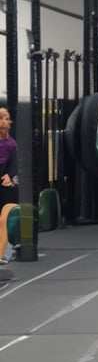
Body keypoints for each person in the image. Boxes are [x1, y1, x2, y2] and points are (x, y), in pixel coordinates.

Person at [0, 105, 20, 265]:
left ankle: (4, 253)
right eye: (0, 119)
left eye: (6, 118)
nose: (3, 122)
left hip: (4, 183)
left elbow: (13, 165)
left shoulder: (11, 144)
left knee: (4, 219)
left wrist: (9, 176)